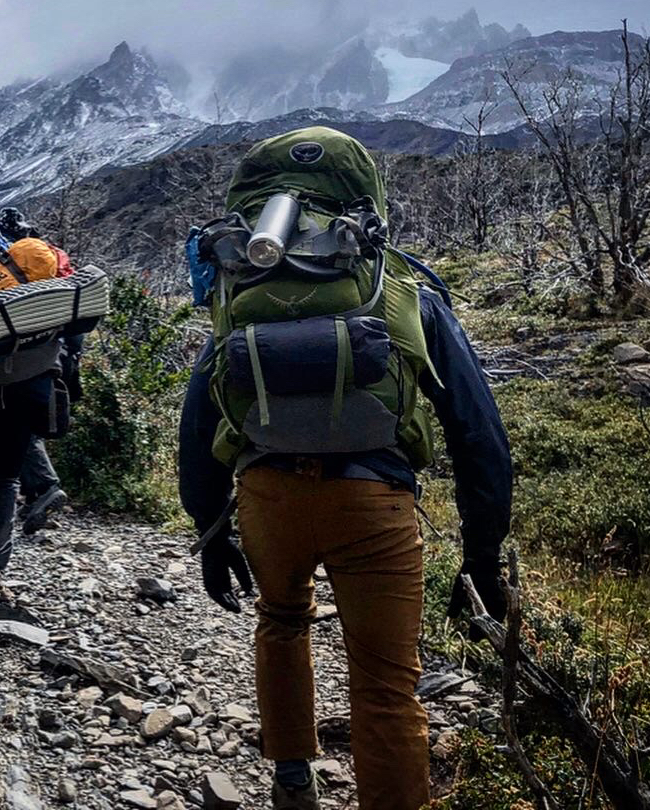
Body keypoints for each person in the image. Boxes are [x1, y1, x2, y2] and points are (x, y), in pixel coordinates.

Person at [178, 129, 512, 810]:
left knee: (280, 619)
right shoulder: (406, 287)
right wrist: (481, 554)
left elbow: (198, 420)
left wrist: (211, 533)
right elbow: (478, 432)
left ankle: (293, 779)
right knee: (387, 684)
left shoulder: (239, 285)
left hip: (267, 494)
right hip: (374, 501)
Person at [0, 205, 73, 536]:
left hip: (22, 354)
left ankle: (44, 486)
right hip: (57, 351)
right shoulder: (52, 256)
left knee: (17, 424)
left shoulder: (10, 259)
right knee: (31, 424)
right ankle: (33, 496)